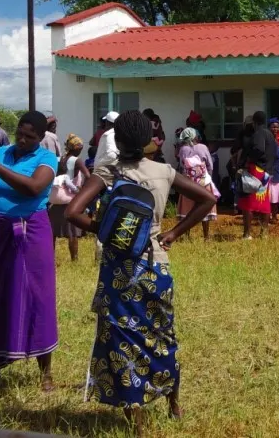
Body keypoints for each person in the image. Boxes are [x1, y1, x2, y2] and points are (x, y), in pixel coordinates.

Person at [65, 110, 215, 429]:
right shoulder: (164, 171)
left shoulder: (107, 170)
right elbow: (206, 198)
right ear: (148, 141)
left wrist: (106, 229)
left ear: (116, 141)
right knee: (161, 333)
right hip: (155, 263)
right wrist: (173, 233)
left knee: (122, 340)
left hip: (119, 268)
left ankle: (136, 416)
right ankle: (174, 404)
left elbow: (73, 213)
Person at [0, 111, 59, 390]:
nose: (23, 139)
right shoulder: (2, 152)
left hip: (31, 233)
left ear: (41, 138)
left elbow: (33, 188)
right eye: (20, 132)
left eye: (31, 136)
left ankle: (46, 371)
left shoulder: (46, 158)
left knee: (37, 294)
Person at [49, 134, 90, 262]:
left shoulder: (58, 159)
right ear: (76, 148)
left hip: (54, 198)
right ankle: (74, 260)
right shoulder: (76, 160)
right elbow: (88, 176)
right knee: (72, 232)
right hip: (69, 199)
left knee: (52, 232)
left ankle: (50, 258)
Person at [177, 127, 219, 240]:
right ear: (195, 136)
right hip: (203, 181)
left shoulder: (182, 149)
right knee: (205, 206)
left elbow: (182, 166)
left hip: (188, 183)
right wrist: (207, 176)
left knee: (187, 209)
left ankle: (186, 236)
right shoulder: (203, 147)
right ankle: (206, 236)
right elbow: (210, 165)